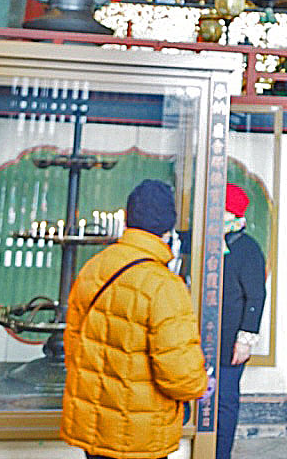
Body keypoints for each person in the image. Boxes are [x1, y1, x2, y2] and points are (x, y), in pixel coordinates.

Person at [61, 179, 209, 459]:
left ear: (128, 218)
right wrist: (199, 385)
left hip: (95, 425)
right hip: (141, 433)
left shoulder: (94, 267)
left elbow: (73, 346)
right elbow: (179, 375)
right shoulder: (164, 285)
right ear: (168, 230)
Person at [217, 182, 267, 459]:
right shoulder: (202, 242)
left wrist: (245, 341)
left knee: (224, 401)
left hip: (229, 343)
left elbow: (256, 297)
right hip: (199, 337)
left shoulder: (248, 249)